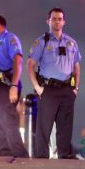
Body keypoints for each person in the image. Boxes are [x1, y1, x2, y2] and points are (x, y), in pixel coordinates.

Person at [27, 8, 81, 159]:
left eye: (60, 18)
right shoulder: (41, 41)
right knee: (44, 127)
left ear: (64, 21)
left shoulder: (71, 43)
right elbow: (30, 64)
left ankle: (64, 156)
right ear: (48, 21)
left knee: (65, 127)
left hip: (66, 90)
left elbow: (76, 67)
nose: (57, 21)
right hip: (48, 90)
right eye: (54, 18)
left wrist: (76, 88)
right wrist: (38, 88)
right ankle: (41, 159)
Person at [0, 15, 28, 158]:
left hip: (4, 85)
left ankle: (21, 157)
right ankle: (4, 155)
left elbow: (18, 61)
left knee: (7, 120)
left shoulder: (9, 39)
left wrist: (14, 85)